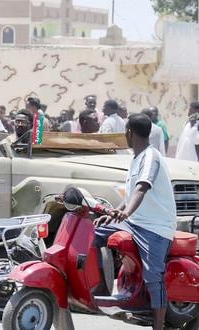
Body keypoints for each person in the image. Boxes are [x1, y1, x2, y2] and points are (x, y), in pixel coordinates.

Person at [93, 113, 176, 330]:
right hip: (135, 222)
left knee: (153, 276)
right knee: (96, 231)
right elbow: (130, 194)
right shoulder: (136, 157)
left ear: (129, 133)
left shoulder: (151, 156)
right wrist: (114, 213)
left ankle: (158, 326)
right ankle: (99, 291)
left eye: (125, 131)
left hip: (155, 227)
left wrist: (126, 213)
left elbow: (142, 187)